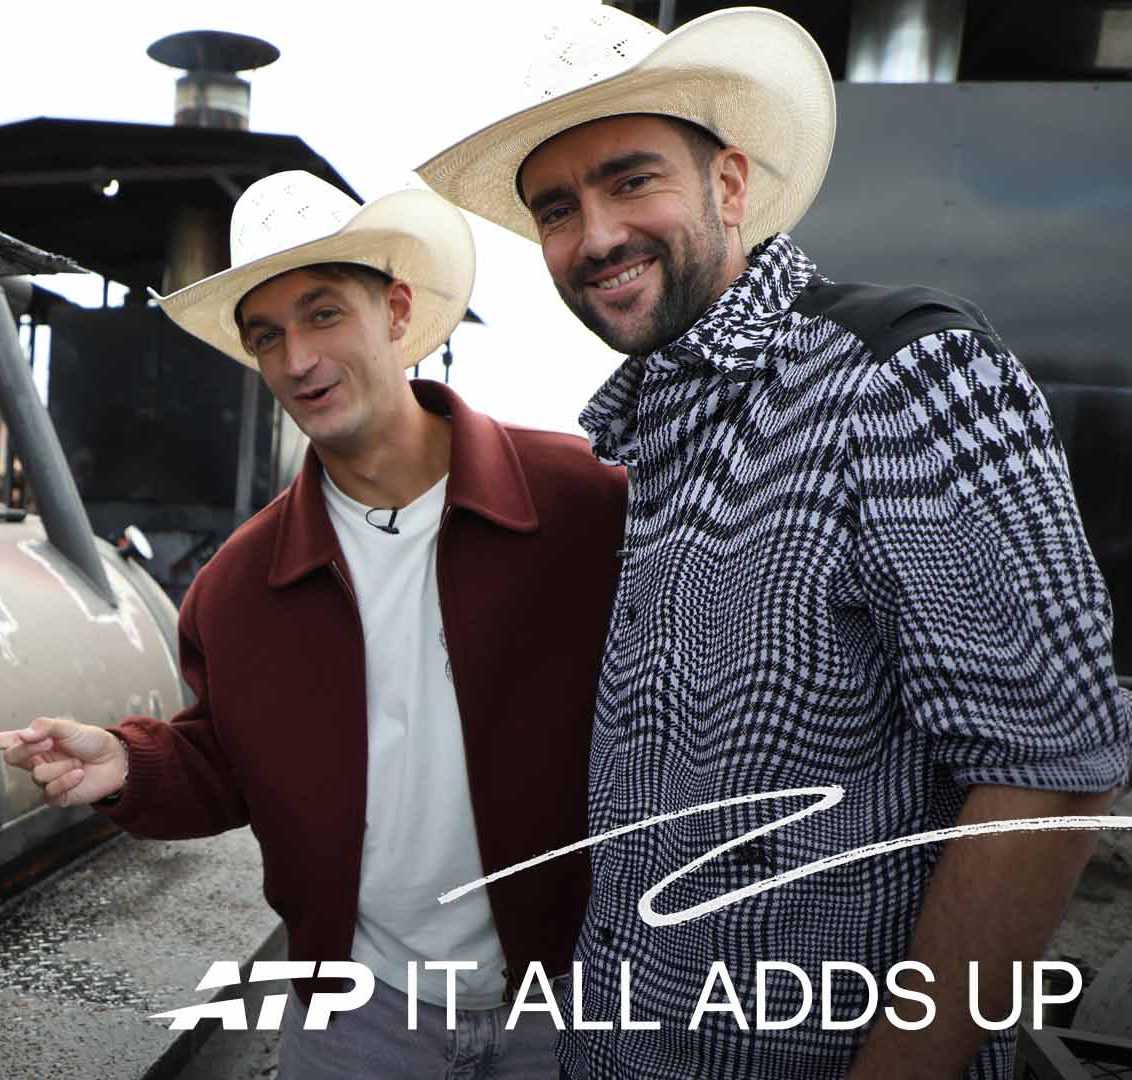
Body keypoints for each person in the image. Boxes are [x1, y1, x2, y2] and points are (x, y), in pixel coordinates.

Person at [416, 7, 1130, 1080]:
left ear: (731, 186)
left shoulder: (901, 378)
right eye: (557, 209)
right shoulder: (649, 435)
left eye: (631, 180)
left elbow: (1054, 774)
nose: (596, 235)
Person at [0, 169, 626, 1078]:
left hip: (574, 1004)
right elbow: (231, 761)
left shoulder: (589, 504)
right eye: (267, 336)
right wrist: (128, 764)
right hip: (355, 1021)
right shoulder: (236, 587)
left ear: (395, 310)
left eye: (322, 314)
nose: (297, 359)